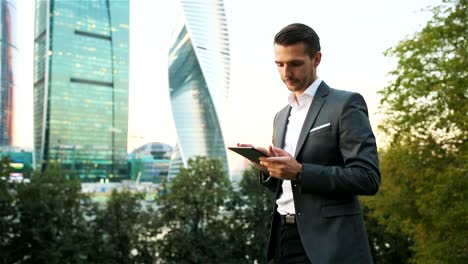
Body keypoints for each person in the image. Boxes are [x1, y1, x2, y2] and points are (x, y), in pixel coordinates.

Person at [238, 23, 380, 263]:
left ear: (316, 59)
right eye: (279, 64)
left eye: (295, 63)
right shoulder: (281, 116)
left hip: (329, 244)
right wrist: (270, 170)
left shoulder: (345, 105)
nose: (286, 73)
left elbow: (367, 178)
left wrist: (301, 172)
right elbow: (289, 186)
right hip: (283, 237)